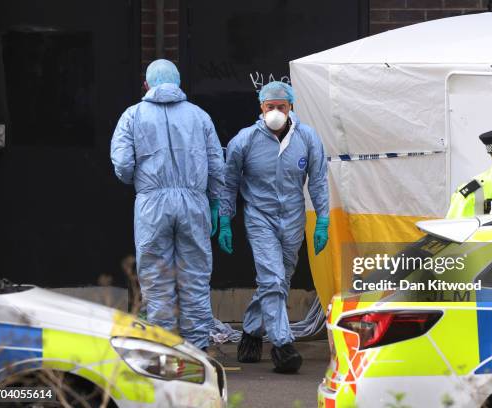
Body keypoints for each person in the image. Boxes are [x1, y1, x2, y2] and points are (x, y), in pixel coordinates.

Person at [110, 59, 224, 350]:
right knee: (195, 279)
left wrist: (143, 181)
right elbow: (216, 165)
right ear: (178, 82)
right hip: (194, 203)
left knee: (157, 281)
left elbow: (122, 165)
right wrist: (215, 203)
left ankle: (165, 351)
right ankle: (198, 352)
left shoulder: (132, 116)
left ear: (146, 84)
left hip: (152, 204)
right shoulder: (199, 116)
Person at [218, 81, 329, 373]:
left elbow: (317, 181)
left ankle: (251, 334)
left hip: (293, 217)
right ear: (261, 108)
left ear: (291, 106)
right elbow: (229, 184)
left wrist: (323, 219)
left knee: (280, 280)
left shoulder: (307, 138)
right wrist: (225, 220)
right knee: (272, 279)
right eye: (270, 107)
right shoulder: (245, 141)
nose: (276, 112)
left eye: (281, 106)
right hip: (260, 217)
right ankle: (283, 345)